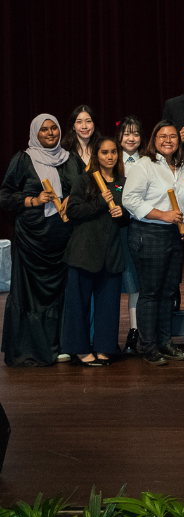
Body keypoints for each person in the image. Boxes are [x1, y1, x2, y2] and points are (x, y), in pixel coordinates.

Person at [1, 115, 78, 366]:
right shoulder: (23, 159)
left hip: (63, 239)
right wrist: (33, 200)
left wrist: (71, 200)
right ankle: (31, 349)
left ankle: (61, 346)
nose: (50, 132)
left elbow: (81, 189)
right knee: (31, 295)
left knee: (62, 293)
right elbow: (5, 195)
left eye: (53, 127)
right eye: (43, 129)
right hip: (31, 239)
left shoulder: (70, 159)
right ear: (36, 133)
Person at [121, 120, 184, 365]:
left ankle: (165, 341)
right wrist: (162, 215)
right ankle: (148, 345)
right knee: (151, 293)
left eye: (173, 136)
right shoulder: (144, 165)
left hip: (174, 236)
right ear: (153, 140)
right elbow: (129, 199)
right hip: (148, 232)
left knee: (168, 292)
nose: (168, 140)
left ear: (179, 140)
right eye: (162, 136)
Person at [60, 137, 128, 367]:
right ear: (96, 156)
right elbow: (73, 210)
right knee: (78, 304)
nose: (110, 156)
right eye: (104, 152)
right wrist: (100, 202)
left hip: (112, 253)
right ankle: (79, 349)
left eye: (113, 152)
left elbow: (130, 213)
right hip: (85, 252)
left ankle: (104, 347)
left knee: (108, 304)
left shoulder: (123, 182)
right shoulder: (85, 180)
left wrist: (123, 214)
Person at [116, 116, 145, 353]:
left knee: (136, 280)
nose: (131, 138)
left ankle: (136, 330)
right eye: (127, 133)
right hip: (116, 229)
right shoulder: (112, 161)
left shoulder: (147, 162)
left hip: (141, 226)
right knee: (122, 280)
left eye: (135, 133)